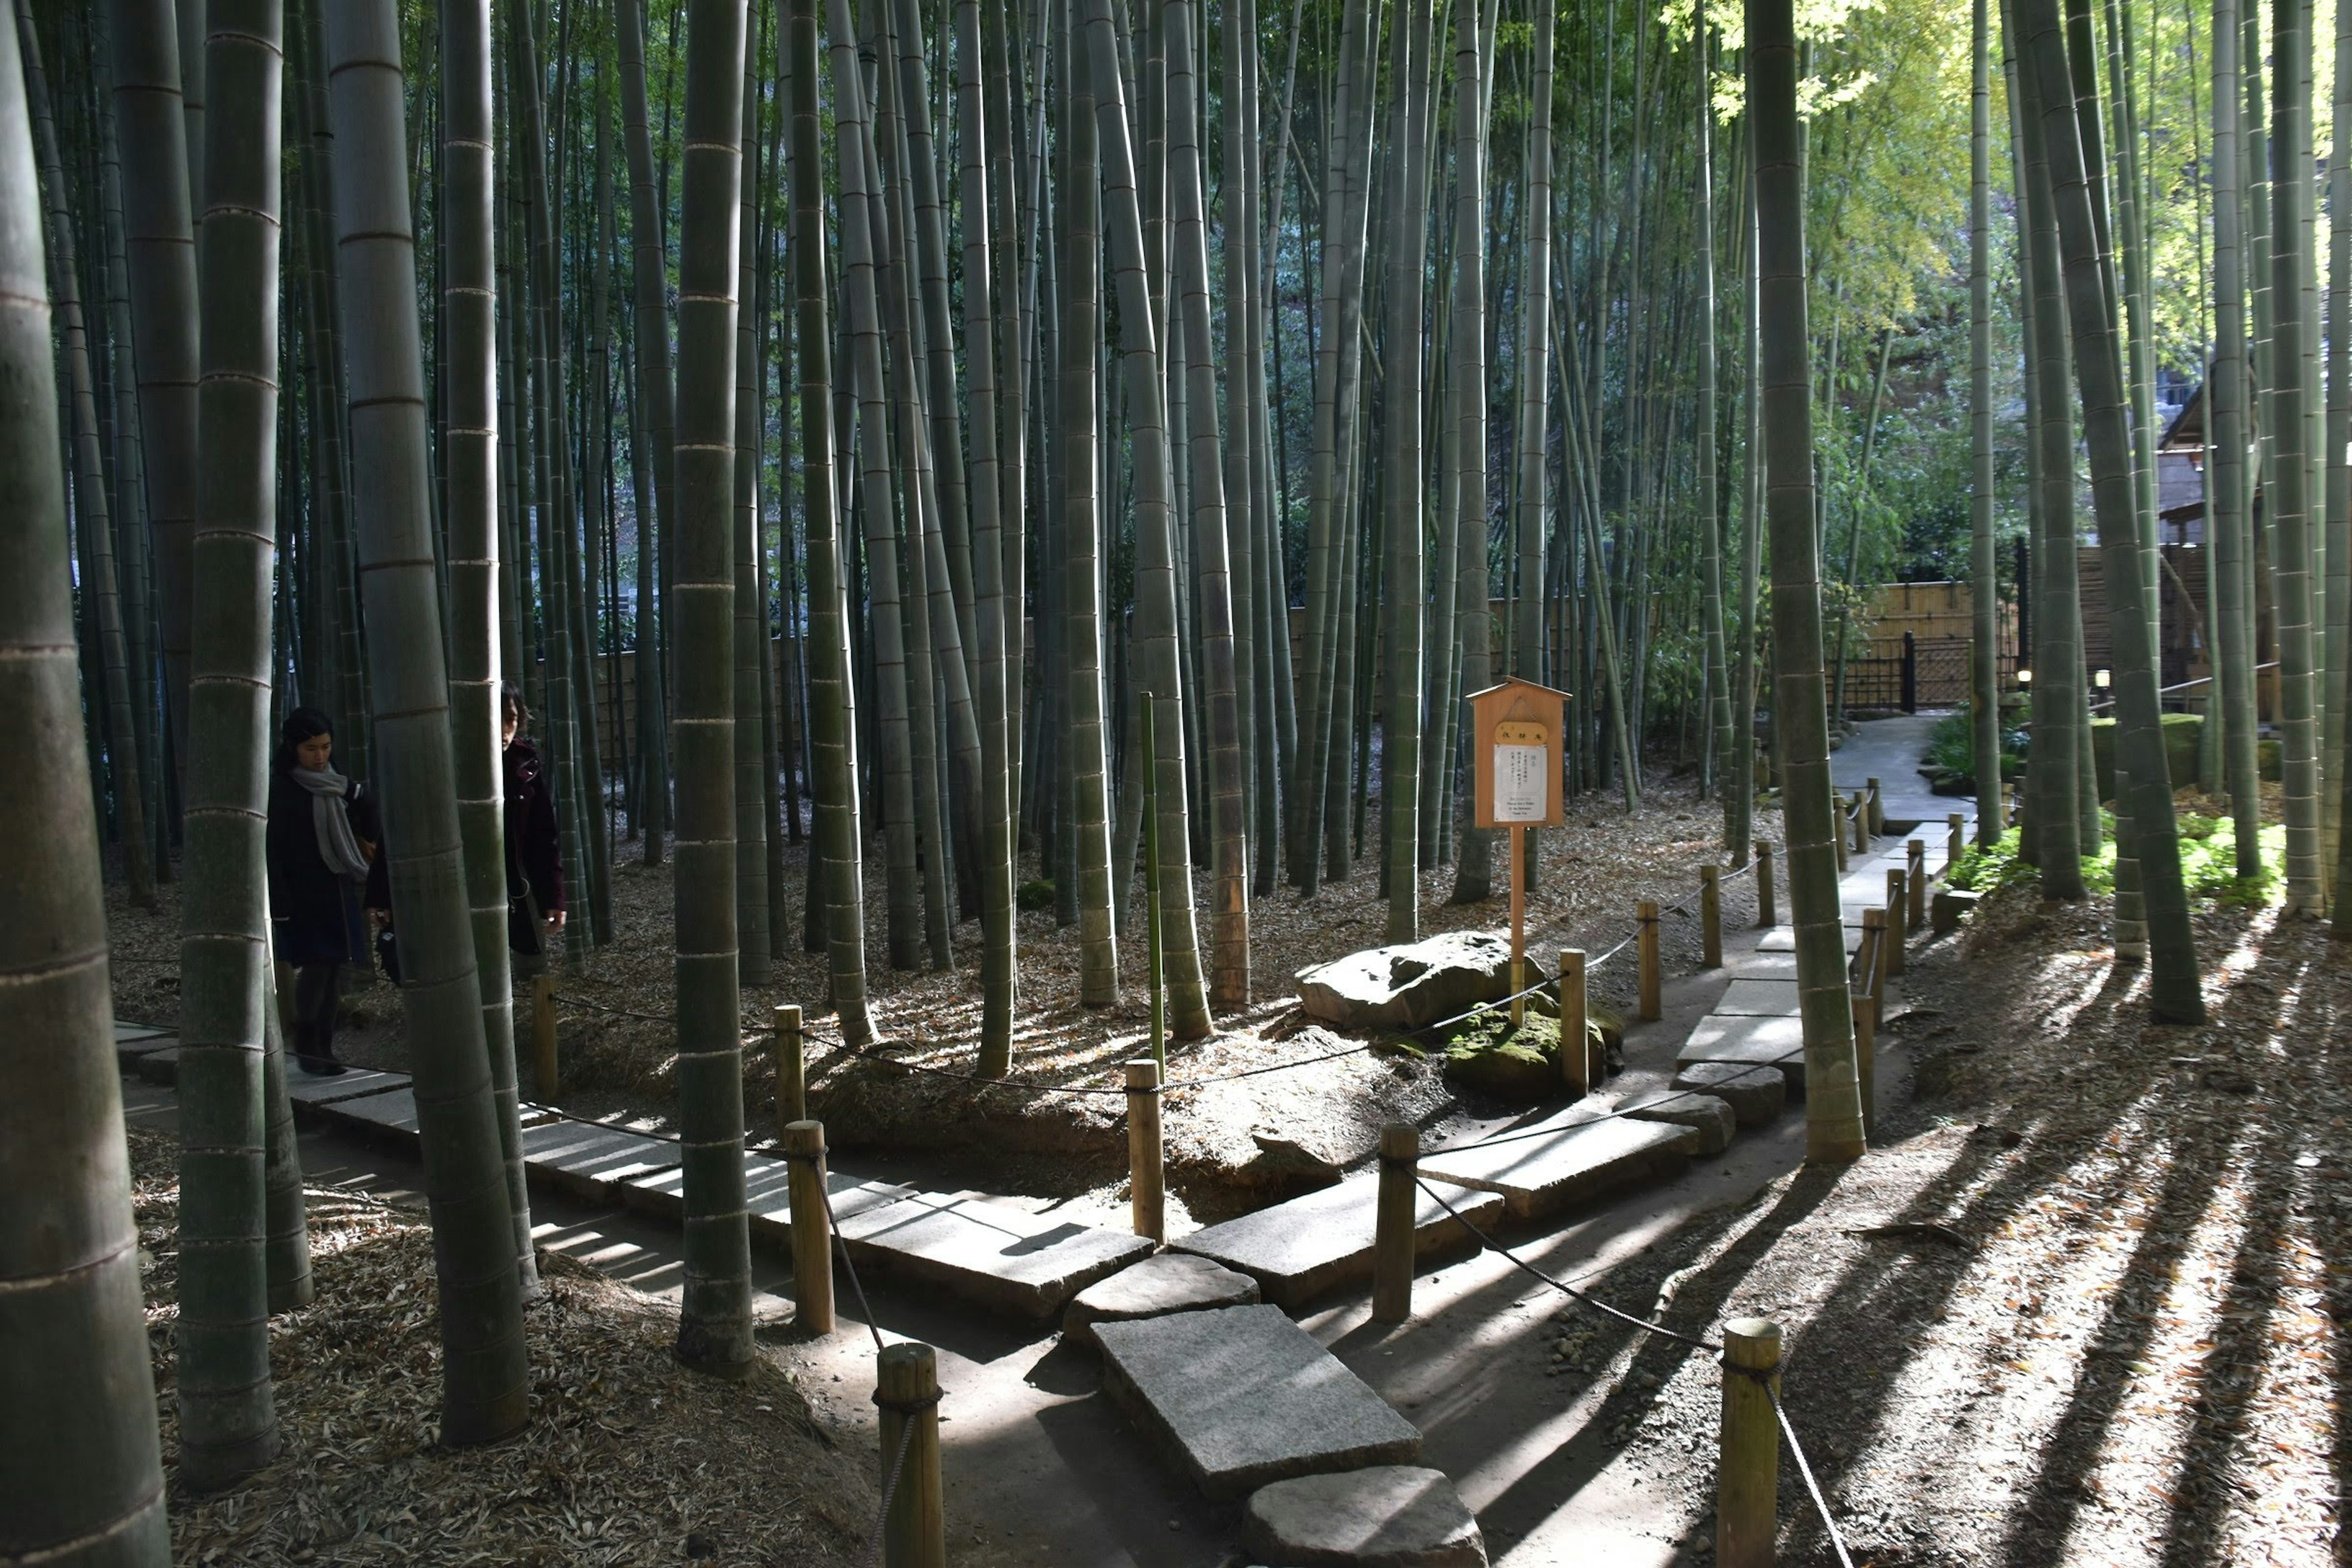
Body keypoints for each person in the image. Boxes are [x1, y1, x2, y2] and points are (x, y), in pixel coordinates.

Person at [266, 708, 375, 1076]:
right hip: (303, 892)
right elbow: (274, 851)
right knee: (315, 968)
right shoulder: (283, 790)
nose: (320, 756)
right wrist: (280, 905)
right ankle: (307, 1045)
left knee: (333, 968)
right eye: (311, 748)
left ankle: (325, 1047)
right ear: (293, 748)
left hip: (336, 885)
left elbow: (370, 824)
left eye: (326, 747)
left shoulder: (337, 783)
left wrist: (357, 793)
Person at [502, 682, 567, 970]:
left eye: (511, 719)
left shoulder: (523, 761)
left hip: (510, 887)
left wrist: (553, 895)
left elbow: (543, 836)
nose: (505, 729)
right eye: (496, 718)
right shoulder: (445, 760)